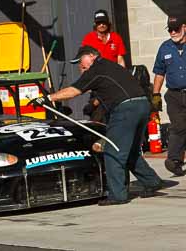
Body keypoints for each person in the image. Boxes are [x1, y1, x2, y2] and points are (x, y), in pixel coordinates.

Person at [30, 45, 162, 205]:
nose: (80, 66)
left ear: (92, 56)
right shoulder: (111, 66)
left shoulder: (96, 69)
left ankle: (118, 195)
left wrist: (47, 98)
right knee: (130, 151)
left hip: (126, 109)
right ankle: (151, 181)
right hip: (142, 105)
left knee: (113, 151)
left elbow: (74, 90)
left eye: (81, 61)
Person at [152, 14, 186, 176]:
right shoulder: (165, 48)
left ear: (184, 28)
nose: (173, 32)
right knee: (177, 127)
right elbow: (159, 73)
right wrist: (156, 94)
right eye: (170, 30)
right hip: (174, 96)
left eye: (176, 29)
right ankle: (174, 161)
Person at [81, 10, 127, 122]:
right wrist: (85, 81)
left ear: (108, 23)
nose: (101, 25)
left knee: (117, 115)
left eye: (103, 22)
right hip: (97, 84)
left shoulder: (116, 38)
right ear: (95, 25)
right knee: (98, 117)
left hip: (113, 84)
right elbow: (83, 63)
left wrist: (124, 78)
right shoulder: (89, 39)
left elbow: (120, 60)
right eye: (99, 23)